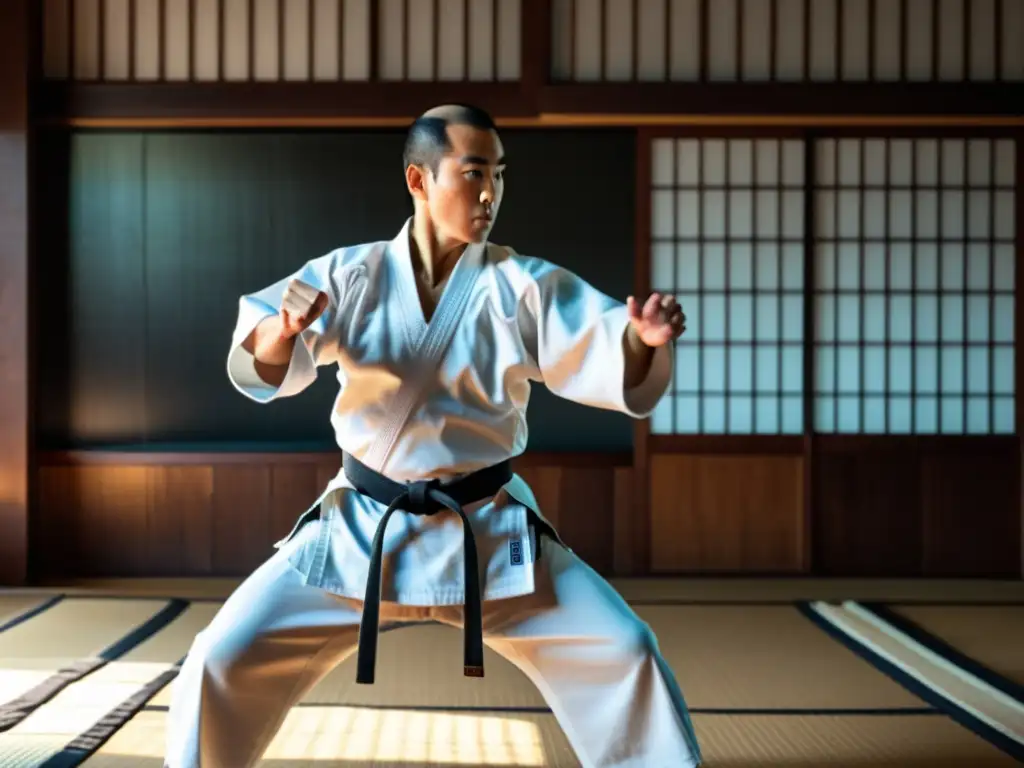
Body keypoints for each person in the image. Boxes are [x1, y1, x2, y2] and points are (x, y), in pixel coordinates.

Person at [164, 104, 702, 768]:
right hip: (363, 527)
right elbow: (266, 363)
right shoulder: (350, 275)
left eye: (499, 176)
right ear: (418, 181)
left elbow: (598, 345)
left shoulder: (521, 285)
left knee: (625, 649)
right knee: (219, 656)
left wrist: (640, 342)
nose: (489, 195)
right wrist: (280, 333)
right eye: (473, 173)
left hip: (488, 530)